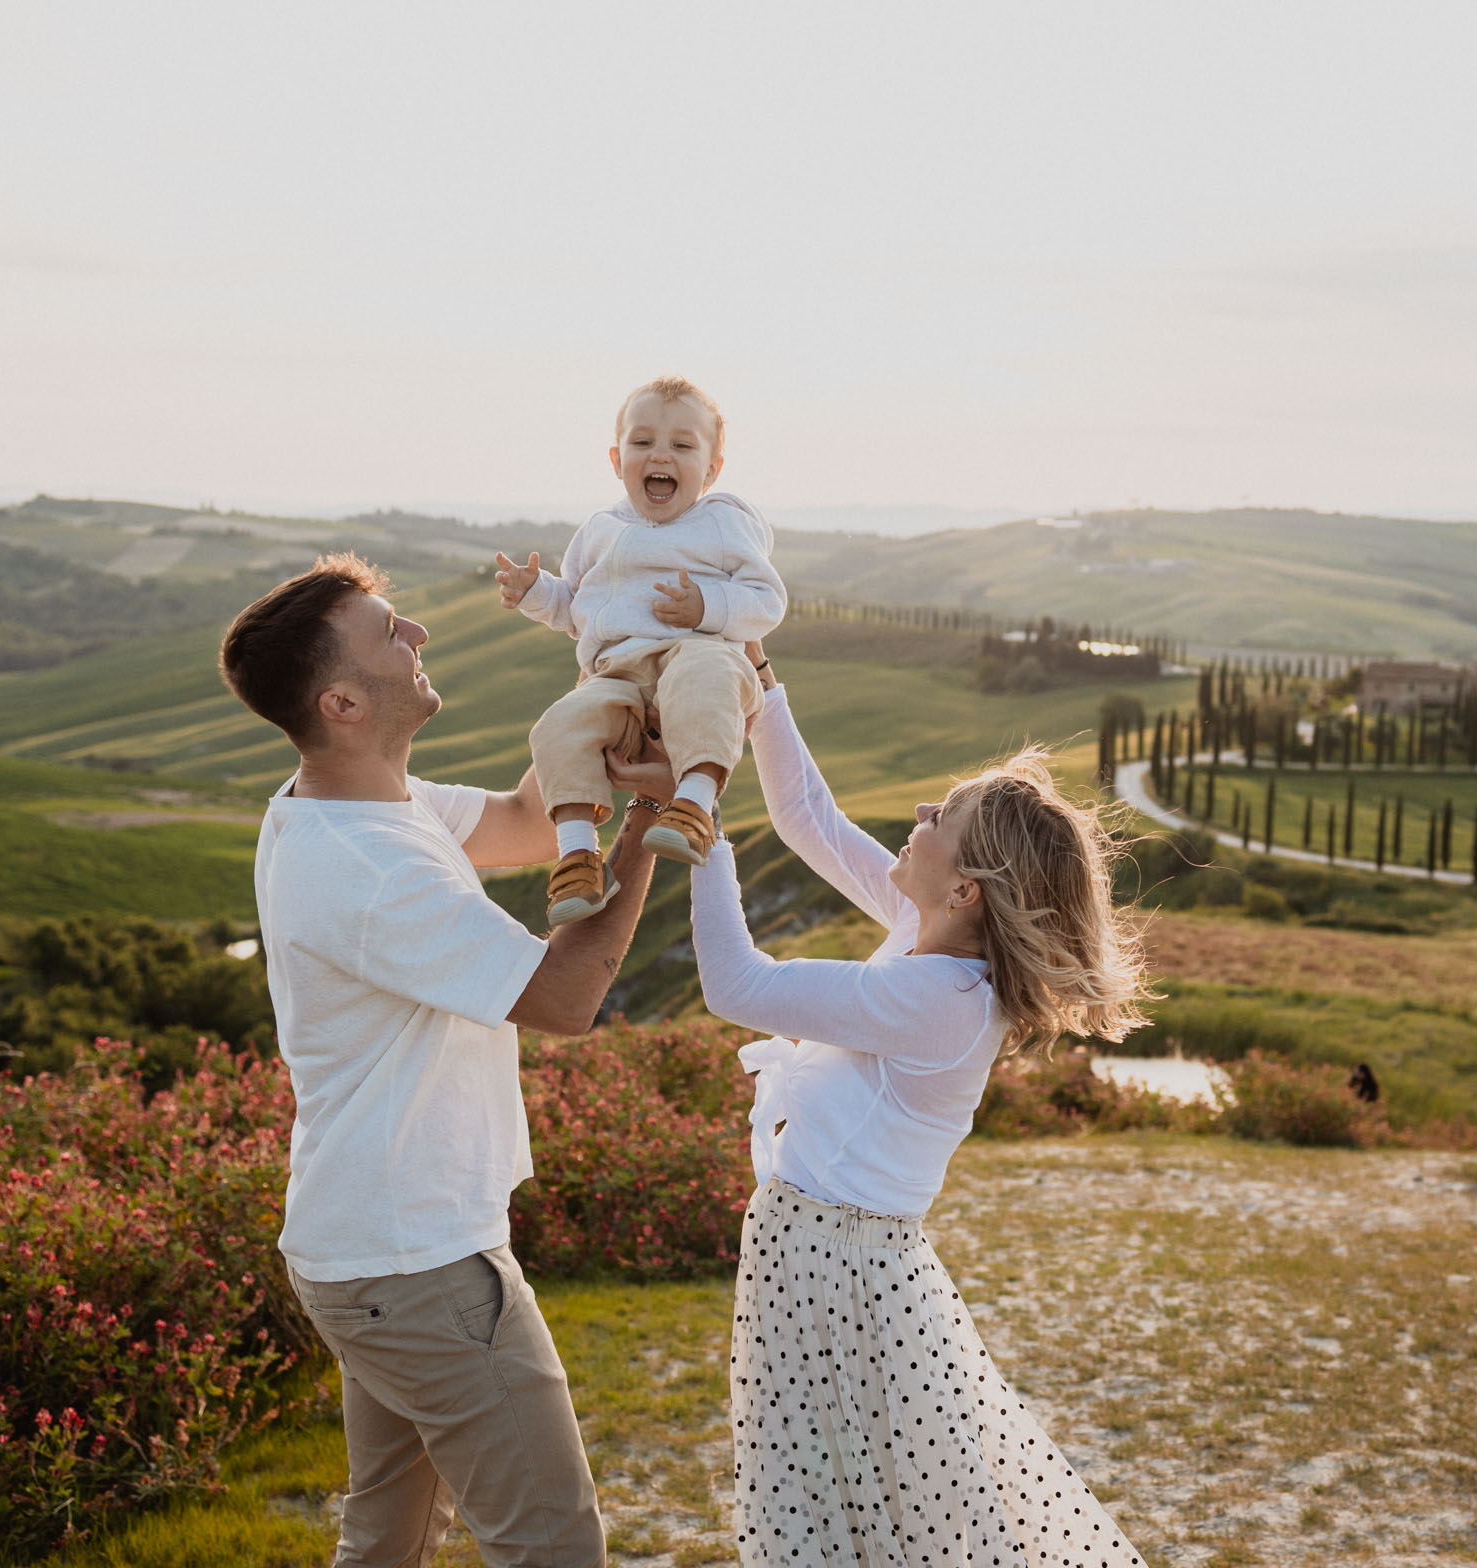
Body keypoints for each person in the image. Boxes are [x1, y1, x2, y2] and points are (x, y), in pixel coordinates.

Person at [218, 552, 662, 1568]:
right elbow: (565, 994)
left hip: (367, 1249)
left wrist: (621, 682)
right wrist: (653, 822)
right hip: (419, 1263)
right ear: (341, 700)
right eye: (390, 632)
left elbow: (518, 820)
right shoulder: (369, 867)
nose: (416, 635)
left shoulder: (368, 803)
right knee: (554, 1547)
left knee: (385, 1540)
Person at [683, 640, 1152, 1565]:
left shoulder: (940, 1001)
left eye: (945, 814)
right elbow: (809, 819)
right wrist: (763, 684)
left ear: (966, 889)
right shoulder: (926, 939)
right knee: (859, 1515)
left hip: (841, 1278)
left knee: (855, 1522)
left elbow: (737, 984)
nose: (920, 812)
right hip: (819, 1261)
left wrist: (693, 821)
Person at [495, 374, 786, 925]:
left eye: (682, 445)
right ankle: (578, 854)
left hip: (697, 652)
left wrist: (708, 608)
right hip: (616, 675)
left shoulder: (722, 522)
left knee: (705, 679)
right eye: (643, 442)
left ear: (712, 469)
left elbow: (767, 599)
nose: (661, 455)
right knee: (559, 724)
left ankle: (693, 805)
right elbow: (574, 607)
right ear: (616, 458)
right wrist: (536, 593)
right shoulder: (601, 529)